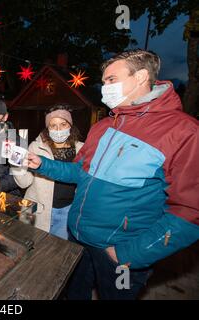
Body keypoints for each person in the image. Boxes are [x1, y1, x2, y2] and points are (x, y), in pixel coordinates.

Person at [27, 49, 199, 300]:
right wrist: (42, 163)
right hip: (77, 238)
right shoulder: (103, 126)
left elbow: (190, 212)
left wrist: (130, 254)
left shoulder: (183, 132)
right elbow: (79, 171)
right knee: (73, 293)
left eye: (111, 80)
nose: (104, 87)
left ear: (140, 77)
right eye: (104, 81)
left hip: (119, 252)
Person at [12, 105, 83, 237]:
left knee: (56, 251)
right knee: (28, 244)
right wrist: (16, 163)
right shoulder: (36, 147)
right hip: (36, 210)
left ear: (70, 126)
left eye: (63, 124)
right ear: (47, 128)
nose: (58, 129)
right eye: (53, 125)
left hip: (67, 211)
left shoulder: (81, 149)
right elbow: (23, 183)